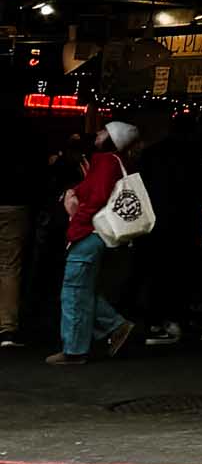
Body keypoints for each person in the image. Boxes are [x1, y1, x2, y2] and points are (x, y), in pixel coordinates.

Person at [50, 119, 140, 366]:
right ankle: (116, 327)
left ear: (111, 138)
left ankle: (75, 349)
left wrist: (77, 218)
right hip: (97, 232)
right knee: (83, 288)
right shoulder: (115, 161)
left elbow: (97, 195)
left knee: (74, 289)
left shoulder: (105, 161)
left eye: (103, 131)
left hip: (88, 231)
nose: (98, 134)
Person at [135, 111, 202, 346]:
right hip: (186, 224)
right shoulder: (195, 156)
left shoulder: (151, 153)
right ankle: (176, 319)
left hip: (153, 223)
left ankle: (154, 320)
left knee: (155, 272)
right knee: (182, 273)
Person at [0, 77, 40, 348]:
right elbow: (37, 172)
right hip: (15, 203)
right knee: (9, 266)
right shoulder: (29, 132)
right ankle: (7, 328)